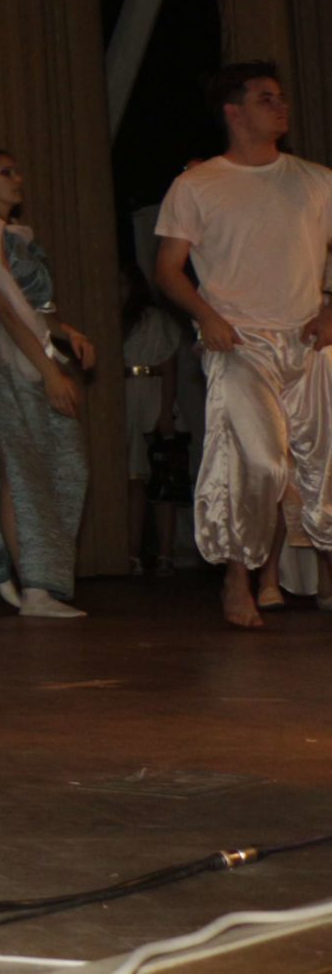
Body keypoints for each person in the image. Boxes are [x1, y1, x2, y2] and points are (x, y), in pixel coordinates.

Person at [153, 62, 332, 630]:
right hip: (238, 342)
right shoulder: (197, 185)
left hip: (309, 340)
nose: (280, 107)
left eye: (281, 97)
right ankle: (239, 576)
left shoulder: (316, 180)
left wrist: (331, 309)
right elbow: (168, 269)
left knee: (325, 465)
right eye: (265, 98)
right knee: (256, 459)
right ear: (234, 112)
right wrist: (206, 316)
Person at [0, 149, 96, 619]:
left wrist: (67, 333)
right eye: (5, 172)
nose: (17, 179)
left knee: (53, 464)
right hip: (6, 354)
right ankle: (36, 587)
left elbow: (35, 308)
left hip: (27, 347)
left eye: (17, 170)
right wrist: (51, 370)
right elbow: (7, 307)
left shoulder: (15, 235)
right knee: (25, 467)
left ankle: (18, 570)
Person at [118, 258, 187, 574]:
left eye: (123, 283)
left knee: (164, 480)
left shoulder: (155, 319)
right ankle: (131, 554)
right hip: (125, 397)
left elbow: (170, 368)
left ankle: (166, 555)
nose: (120, 291)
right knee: (133, 479)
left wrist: (165, 412)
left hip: (153, 394)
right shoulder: (109, 319)